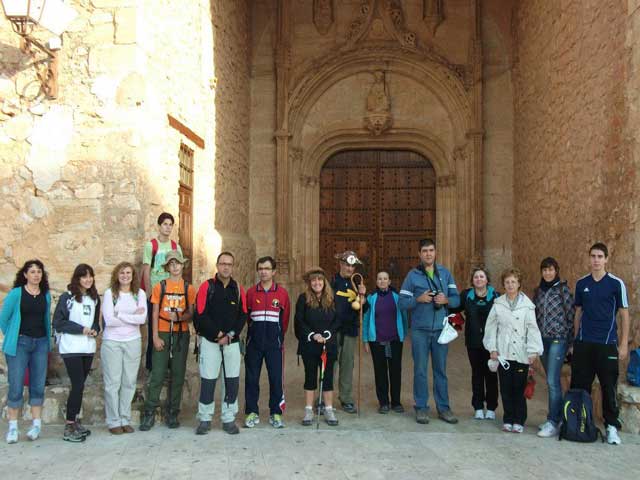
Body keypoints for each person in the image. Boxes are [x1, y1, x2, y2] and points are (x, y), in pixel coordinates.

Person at [571, 242, 629, 445]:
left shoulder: (616, 284)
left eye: (599, 256)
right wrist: (575, 340)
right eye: (593, 256)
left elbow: (624, 314)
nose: (596, 260)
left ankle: (611, 426)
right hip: (584, 344)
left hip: (607, 344)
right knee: (580, 386)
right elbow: (578, 312)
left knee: (608, 386)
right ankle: (579, 424)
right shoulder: (581, 283)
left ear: (606, 259)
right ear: (589, 258)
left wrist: (623, 345)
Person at [399, 238, 460, 425]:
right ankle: (421, 408)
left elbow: (457, 300)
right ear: (419, 254)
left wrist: (446, 301)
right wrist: (419, 299)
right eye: (424, 251)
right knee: (420, 371)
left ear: (435, 252)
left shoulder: (445, 273)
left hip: (440, 330)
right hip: (419, 331)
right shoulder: (412, 276)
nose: (428, 254)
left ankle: (444, 408)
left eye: (431, 250)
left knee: (440, 370)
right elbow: (402, 303)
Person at [139, 251, 195, 431]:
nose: (175, 267)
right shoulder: (160, 286)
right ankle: (149, 412)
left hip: (180, 333)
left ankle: (173, 412)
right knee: (158, 373)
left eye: (178, 263)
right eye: (171, 264)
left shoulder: (189, 288)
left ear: (182, 265)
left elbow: (191, 313)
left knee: (178, 375)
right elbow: (154, 312)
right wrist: (154, 337)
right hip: (162, 331)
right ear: (167, 267)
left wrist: (179, 317)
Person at [483, 268, 543, 433]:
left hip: (521, 352)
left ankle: (519, 419)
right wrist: (492, 348)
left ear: (519, 284)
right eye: (507, 282)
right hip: (504, 352)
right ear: (503, 285)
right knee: (506, 387)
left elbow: (532, 328)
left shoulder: (527, 306)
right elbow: (491, 327)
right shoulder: (498, 304)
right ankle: (508, 418)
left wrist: (533, 351)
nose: (510, 285)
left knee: (519, 387)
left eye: (513, 282)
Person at [194, 251, 247, 435]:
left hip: (231, 343)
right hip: (210, 342)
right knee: (208, 380)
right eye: (223, 263)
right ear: (217, 266)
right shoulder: (207, 287)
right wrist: (218, 334)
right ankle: (205, 418)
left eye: (229, 264)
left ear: (233, 267)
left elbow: (243, 315)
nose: (226, 267)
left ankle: (228, 418)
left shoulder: (238, 289)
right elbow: (200, 314)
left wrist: (231, 334)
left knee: (231, 381)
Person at [0, 260, 51, 444]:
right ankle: (13, 427)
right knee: (16, 385)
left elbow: (46, 320)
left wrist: (47, 343)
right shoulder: (16, 294)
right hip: (19, 343)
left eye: (39, 271)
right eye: (32, 272)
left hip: (40, 343)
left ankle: (36, 425)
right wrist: (13, 335)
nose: (36, 275)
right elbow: (3, 319)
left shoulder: (45, 295)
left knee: (37, 384)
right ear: (25, 275)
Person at [53, 264, 101, 442]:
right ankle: (69, 425)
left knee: (80, 386)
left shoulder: (95, 298)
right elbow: (59, 322)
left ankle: (75, 422)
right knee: (78, 385)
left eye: (91, 276)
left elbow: (95, 322)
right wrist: (82, 329)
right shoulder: (68, 297)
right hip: (71, 348)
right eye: (84, 276)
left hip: (87, 349)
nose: (88, 279)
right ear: (77, 278)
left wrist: (95, 330)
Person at [244, 256, 291, 429]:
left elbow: (284, 321)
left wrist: (277, 336)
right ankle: (251, 412)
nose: (263, 272)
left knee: (276, 379)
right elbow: (247, 317)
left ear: (273, 272)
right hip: (254, 344)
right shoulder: (250, 292)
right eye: (261, 268)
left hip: (274, 344)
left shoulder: (282, 294)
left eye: (267, 268)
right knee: (251, 379)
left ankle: (276, 413)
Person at [101, 262, 147, 434]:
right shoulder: (109, 294)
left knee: (129, 381)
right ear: (116, 275)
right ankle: (113, 421)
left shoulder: (139, 294)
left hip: (133, 341)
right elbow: (109, 320)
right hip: (112, 342)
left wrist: (118, 314)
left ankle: (125, 418)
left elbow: (142, 319)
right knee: (113, 382)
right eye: (122, 273)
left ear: (133, 275)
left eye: (128, 273)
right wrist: (130, 316)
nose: (125, 276)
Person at [532, 257, 575, 438]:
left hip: (559, 339)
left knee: (551, 380)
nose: (547, 273)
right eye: (544, 270)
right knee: (552, 381)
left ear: (556, 270)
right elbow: (535, 315)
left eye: (551, 270)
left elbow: (571, 315)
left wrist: (571, 343)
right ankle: (555, 419)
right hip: (543, 340)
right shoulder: (539, 291)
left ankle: (553, 421)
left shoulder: (563, 290)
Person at [451, 267, 499, 420]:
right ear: (472, 280)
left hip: (491, 343)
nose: (479, 279)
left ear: (487, 280)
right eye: (476, 277)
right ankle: (478, 406)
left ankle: (491, 407)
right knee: (477, 374)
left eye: (482, 276)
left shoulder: (496, 296)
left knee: (491, 374)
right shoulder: (466, 295)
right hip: (473, 342)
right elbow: (453, 308)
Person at [295, 268, 340, 426]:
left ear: (324, 282)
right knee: (310, 376)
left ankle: (328, 409)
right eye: (313, 280)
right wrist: (313, 335)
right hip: (310, 345)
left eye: (319, 280)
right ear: (309, 283)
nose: (317, 283)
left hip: (328, 344)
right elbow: (299, 321)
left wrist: (327, 334)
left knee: (327, 377)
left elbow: (337, 320)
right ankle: (308, 410)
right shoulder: (303, 299)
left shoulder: (332, 298)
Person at [141, 212, 182, 371]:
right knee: (154, 329)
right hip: (156, 294)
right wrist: (149, 292)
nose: (167, 227)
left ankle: (168, 363)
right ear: (159, 226)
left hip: (171, 292)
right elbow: (146, 270)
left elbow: (178, 268)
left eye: (170, 224)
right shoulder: (151, 245)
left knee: (171, 327)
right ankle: (151, 365)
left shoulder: (175, 246)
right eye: (165, 224)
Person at [362, 271, 407, 414]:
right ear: (376, 282)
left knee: (395, 371)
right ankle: (383, 402)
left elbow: (404, 317)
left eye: (385, 279)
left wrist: (403, 334)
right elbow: (366, 320)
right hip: (377, 341)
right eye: (380, 279)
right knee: (380, 372)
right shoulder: (371, 298)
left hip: (394, 340)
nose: (382, 281)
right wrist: (365, 340)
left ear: (389, 281)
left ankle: (396, 402)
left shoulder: (397, 297)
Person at [332, 250, 366, 414]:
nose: (350, 268)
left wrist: (363, 297)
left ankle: (346, 398)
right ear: (341, 264)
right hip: (333, 329)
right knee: (330, 364)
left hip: (350, 329)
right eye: (347, 264)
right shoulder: (331, 282)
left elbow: (364, 309)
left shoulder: (358, 284)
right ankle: (325, 397)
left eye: (352, 266)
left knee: (347, 364)